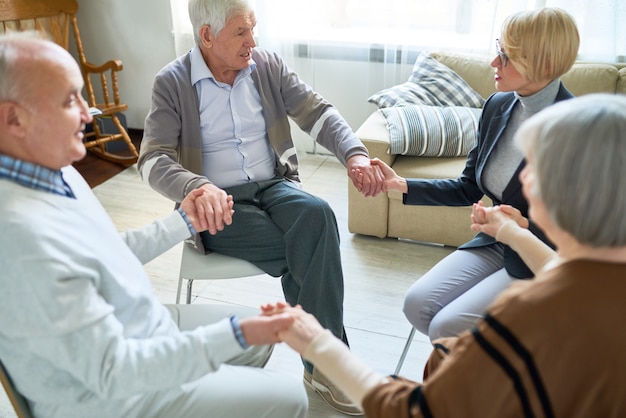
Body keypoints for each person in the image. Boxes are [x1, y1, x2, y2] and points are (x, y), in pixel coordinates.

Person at [0, 32, 308, 418]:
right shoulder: (20, 237)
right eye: (69, 100)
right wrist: (236, 334)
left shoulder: (52, 171)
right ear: (13, 118)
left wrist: (184, 220)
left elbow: (107, 253)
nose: (88, 112)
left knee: (257, 339)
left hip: (137, 328)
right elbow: (114, 372)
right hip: (114, 397)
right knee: (288, 395)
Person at [269, 93, 626, 417]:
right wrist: (511, 231)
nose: (524, 178)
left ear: (570, 190)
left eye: (534, 167)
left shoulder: (525, 313)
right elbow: (563, 271)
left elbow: (414, 409)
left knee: (444, 345)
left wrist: (321, 346)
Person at [137, 0, 383, 413]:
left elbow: (317, 112)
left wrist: (355, 155)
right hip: (218, 204)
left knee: (317, 214)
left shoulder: (266, 66)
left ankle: (324, 365)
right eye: (241, 32)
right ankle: (330, 366)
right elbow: (151, 160)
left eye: (254, 29)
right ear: (207, 36)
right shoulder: (173, 82)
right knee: (307, 244)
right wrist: (196, 186)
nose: (253, 41)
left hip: (273, 185)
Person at [362, 7, 580, 341]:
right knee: (417, 305)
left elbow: (583, 231)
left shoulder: (577, 130)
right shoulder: (497, 106)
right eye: (498, 49)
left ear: (544, 66)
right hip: (496, 241)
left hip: (541, 259)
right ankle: (481, 373)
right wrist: (400, 184)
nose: (494, 63)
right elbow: (468, 186)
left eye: (505, 57)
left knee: (446, 326)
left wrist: (520, 229)